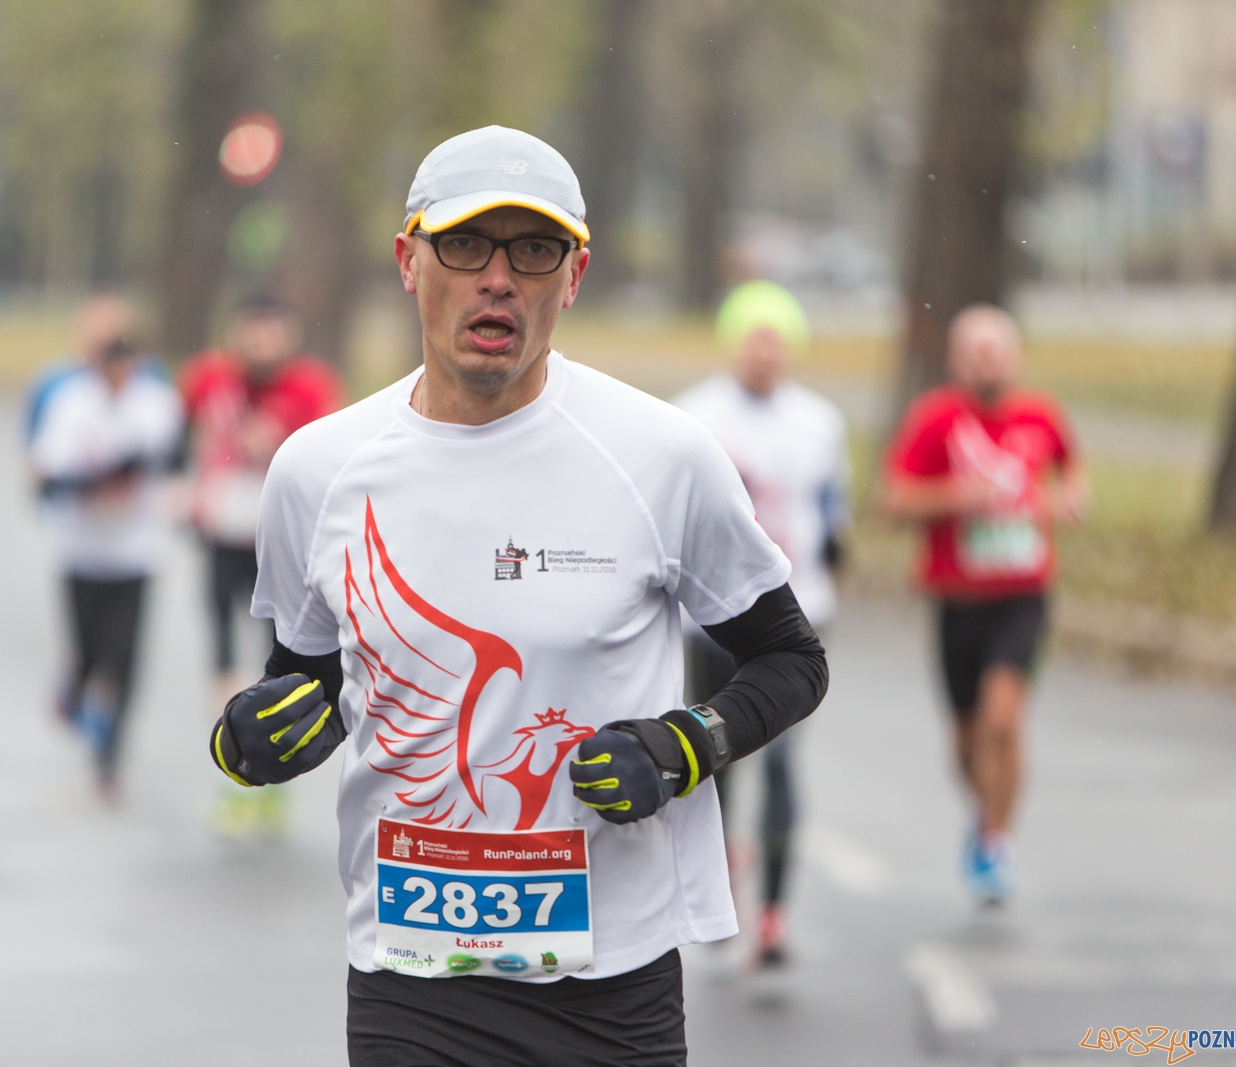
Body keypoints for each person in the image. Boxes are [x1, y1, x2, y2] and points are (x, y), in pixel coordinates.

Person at [208, 125, 828, 1065]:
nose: (498, 278)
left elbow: (793, 659)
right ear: (409, 261)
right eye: (464, 244)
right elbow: (311, 680)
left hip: (611, 983)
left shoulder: (660, 457)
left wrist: (682, 746)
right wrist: (251, 736)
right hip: (410, 974)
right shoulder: (318, 470)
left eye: (533, 250)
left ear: (572, 277)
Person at [881, 304, 1086, 905]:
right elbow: (893, 501)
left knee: (1004, 719)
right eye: (974, 352)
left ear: (1015, 357)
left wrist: (1070, 498)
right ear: (955, 360)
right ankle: (985, 813)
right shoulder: (935, 419)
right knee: (968, 741)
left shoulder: (1040, 416)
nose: (986, 362)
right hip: (957, 598)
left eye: (996, 351)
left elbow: (1071, 471)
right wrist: (957, 496)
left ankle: (997, 842)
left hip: (1023, 595)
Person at [672, 280, 848, 968]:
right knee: (718, 754)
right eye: (754, 337)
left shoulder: (821, 423)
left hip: (795, 610)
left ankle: (774, 910)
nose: (765, 352)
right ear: (731, 341)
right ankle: (720, 886)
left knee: (781, 759)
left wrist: (833, 574)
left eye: (778, 339)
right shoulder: (693, 415)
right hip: (711, 620)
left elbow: (836, 515)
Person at [27, 295, 182, 799]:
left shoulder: (155, 401)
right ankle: (75, 688)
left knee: (127, 660)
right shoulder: (70, 401)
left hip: (135, 553)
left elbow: (168, 457)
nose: (118, 376)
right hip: (81, 551)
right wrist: (95, 475)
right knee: (89, 653)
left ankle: (109, 759)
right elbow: (49, 469)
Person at [180, 295, 343, 702]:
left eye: (269, 334)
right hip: (223, 521)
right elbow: (176, 432)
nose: (259, 344)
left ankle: (268, 696)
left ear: (290, 336)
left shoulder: (310, 386)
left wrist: (275, 446)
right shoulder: (210, 378)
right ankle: (224, 689)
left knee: (277, 621)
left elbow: (333, 459)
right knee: (219, 609)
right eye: (250, 334)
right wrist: (182, 484)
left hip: (280, 530)